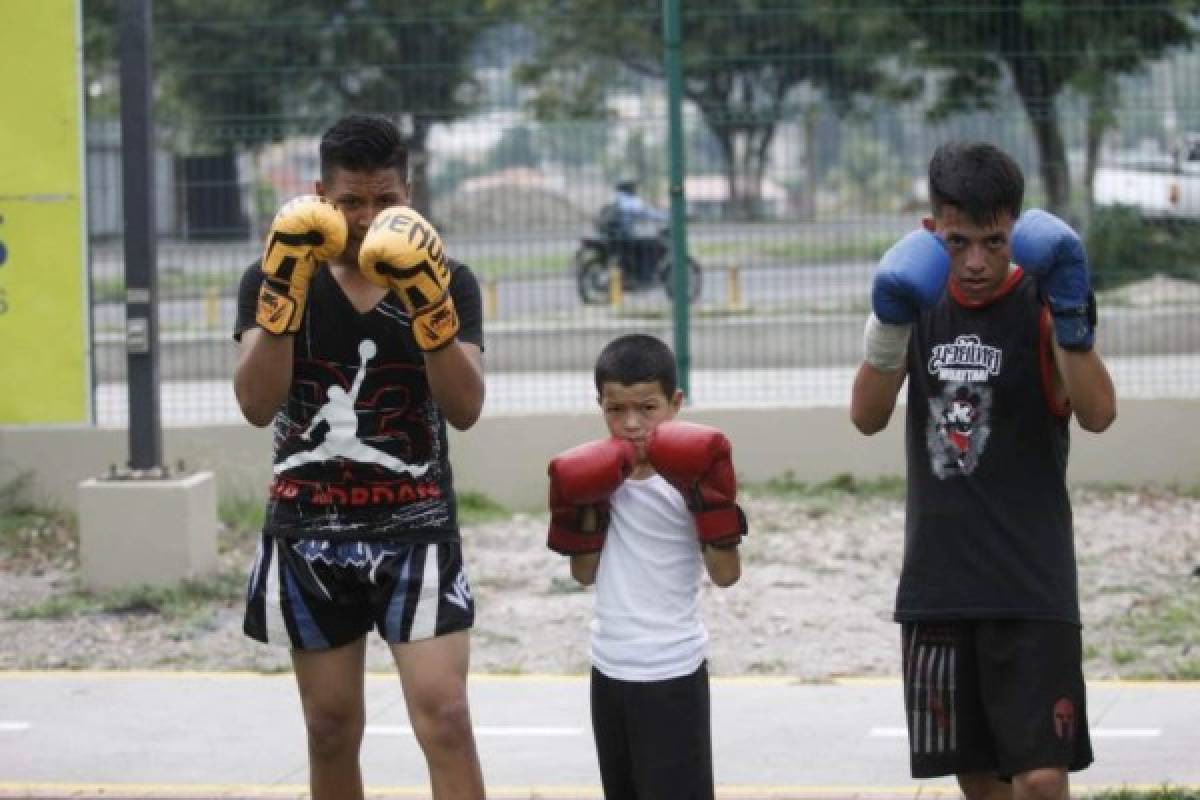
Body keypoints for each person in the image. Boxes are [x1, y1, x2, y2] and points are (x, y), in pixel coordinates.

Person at [850, 141, 1117, 800]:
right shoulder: (911, 296)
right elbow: (867, 416)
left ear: (1016, 233)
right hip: (939, 579)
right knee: (977, 775)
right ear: (930, 229)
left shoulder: (1046, 297)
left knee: (1041, 775)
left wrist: (1074, 322)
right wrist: (886, 324)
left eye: (994, 242)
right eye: (958, 241)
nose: (975, 261)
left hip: (1032, 579)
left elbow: (1099, 412)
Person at [232, 113, 487, 800]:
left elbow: (465, 408)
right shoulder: (274, 271)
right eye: (351, 201)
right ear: (321, 195)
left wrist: (427, 301)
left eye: (387, 200)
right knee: (330, 728)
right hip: (307, 531)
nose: (370, 217)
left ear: (411, 191)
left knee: (447, 717)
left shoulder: (450, 279)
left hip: (416, 528)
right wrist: (283, 295)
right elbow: (257, 404)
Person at [545, 333, 744, 800]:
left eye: (647, 408)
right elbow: (583, 574)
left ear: (675, 403)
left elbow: (726, 574)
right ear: (601, 406)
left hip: (673, 670)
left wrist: (705, 505)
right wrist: (591, 506)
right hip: (610, 667)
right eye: (616, 410)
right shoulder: (590, 475)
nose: (632, 423)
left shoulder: (694, 472)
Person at [609, 179, 668, 283]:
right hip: (626, 236)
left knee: (647, 243)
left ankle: (637, 274)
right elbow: (646, 213)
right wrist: (668, 216)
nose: (635, 189)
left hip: (618, 236)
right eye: (633, 187)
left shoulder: (619, 199)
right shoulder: (629, 200)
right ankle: (645, 275)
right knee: (655, 246)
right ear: (628, 188)